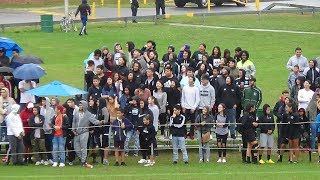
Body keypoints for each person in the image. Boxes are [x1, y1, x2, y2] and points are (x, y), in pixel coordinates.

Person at [72, 100, 104, 167]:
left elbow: (94, 121)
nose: (80, 106)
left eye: (82, 105)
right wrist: (73, 130)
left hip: (84, 132)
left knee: (83, 147)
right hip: (76, 133)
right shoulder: (76, 113)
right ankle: (82, 159)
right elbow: (74, 122)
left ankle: (83, 161)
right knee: (76, 148)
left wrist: (101, 122)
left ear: (85, 106)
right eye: (79, 105)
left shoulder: (88, 114)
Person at [0, 87, 16, 153]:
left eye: (4, 92)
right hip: (1, 120)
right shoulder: (0, 99)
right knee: (0, 134)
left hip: (9, 121)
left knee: (8, 134)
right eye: (1, 92)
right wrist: (3, 112)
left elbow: (15, 108)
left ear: (7, 92)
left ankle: (8, 150)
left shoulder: (11, 100)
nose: (2, 93)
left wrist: (10, 113)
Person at [40, 97, 55, 165]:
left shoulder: (51, 109)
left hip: (50, 130)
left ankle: (51, 158)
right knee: (44, 145)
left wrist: (50, 126)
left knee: (50, 144)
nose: (43, 102)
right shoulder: (41, 109)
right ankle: (46, 158)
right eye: (42, 101)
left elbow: (52, 118)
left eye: (44, 101)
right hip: (43, 130)